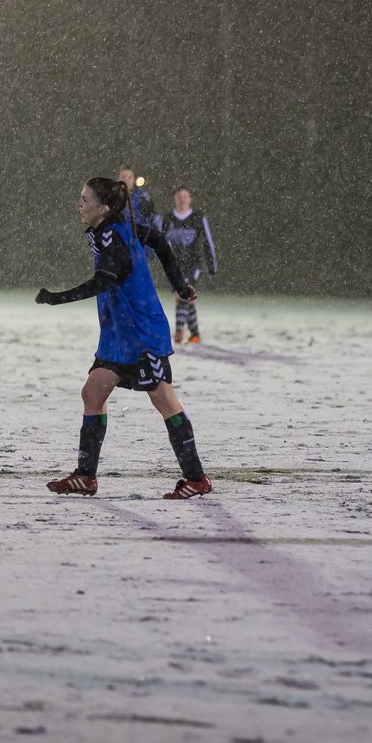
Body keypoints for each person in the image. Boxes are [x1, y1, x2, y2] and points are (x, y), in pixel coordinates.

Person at [35, 177, 213, 499]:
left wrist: (55, 298)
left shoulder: (113, 242)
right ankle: (85, 477)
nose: (80, 204)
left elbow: (100, 283)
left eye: (85, 200)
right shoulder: (117, 226)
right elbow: (158, 239)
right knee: (92, 393)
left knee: (164, 400)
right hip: (120, 336)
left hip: (142, 334)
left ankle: (196, 479)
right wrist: (179, 285)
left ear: (102, 209)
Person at [161, 185, 220, 344]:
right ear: (174, 198)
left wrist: (211, 264)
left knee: (184, 295)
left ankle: (179, 332)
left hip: (192, 265)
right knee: (186, 299)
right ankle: (195, 335)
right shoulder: (167, 219)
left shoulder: (198, 217)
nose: (182, 199)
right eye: (179, 196)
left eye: (185, 196)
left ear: (190, 199)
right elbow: (160, 243)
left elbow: (208, 242)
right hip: (174, 266)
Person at [117, 166, 157, 235]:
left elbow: (151, 216)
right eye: (123, 177)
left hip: (141, 235)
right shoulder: (112, 197)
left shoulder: (143, 196)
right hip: (120, 235)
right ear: (118, 179)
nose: (126, 180)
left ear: (134, 179)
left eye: (130, 177)